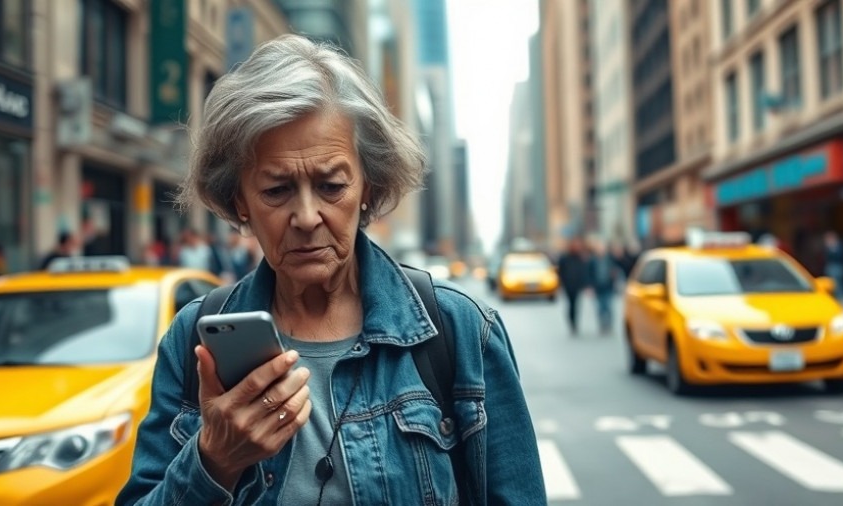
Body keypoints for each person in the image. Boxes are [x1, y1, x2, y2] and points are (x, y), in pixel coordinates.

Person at [117, 35, 545, 506]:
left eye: (330, 186)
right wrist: (213, 462)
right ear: (240, 201)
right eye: (277, 191)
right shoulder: (193, 342)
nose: (306, 217)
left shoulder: (462, 331)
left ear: (368, 186)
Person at [587, 238, 619, 335]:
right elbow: (589, 274)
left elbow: (616, 269)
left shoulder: (609, 259)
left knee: (608, 306)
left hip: (608, 286)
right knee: (600, 308)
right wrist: (590, 286)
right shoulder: (592, 261)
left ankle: (609, 325)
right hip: (598, 287)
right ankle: (602, 325)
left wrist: (614, 277)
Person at [557, 237, 588, 336]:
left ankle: (575, 323)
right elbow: (560, 271)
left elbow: (583, 271)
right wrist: (562, 283)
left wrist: (584, 284)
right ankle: (571, 321)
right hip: (568, 285)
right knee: (570, 304)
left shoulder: (580, 257)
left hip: (577, 285)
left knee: (576, 305)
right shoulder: (565, 258)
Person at [823, 231, 843, 298]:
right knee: (832, 283)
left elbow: (842, 256)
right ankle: (835, 296)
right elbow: (826, 258)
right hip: (831, 267)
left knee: (840, 283)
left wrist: (833, 250)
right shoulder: (828, 247)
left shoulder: (840, 246)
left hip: (838, 266)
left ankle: (842, 295)